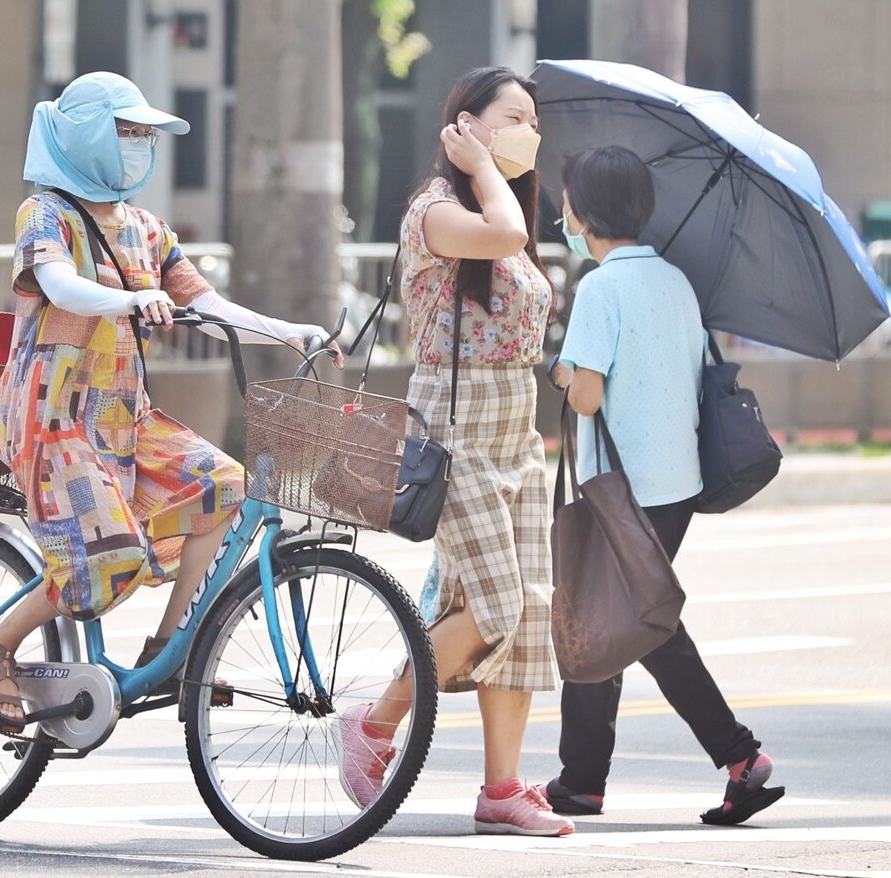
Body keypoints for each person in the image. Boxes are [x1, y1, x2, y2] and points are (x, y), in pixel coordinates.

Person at [0, 71, 339, 730]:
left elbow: (208, 305)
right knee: (109, 559)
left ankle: (170, 651)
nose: (140, 143)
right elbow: (60, 285)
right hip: (51, 419)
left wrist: (288, 332)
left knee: (226, 489)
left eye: (145, 133)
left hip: (126, 418)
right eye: (127, 131)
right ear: (84, 135)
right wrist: (132, 297)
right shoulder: (45, 214)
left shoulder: (146, 228)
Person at [337, 67, 573, 837]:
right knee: (495, 607)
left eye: (534, 121)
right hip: (458, 427)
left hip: (517, 428)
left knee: (525, 612)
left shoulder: (500, 207)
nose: (529, 133)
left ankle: (502, 789)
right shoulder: (436, 210)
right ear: (464, 125)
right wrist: (479, 168)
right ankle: (374, 722)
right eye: (514, 117)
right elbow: (504, 236)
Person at [541, 145, 781, 825]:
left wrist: (561, 371)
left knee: (638, 623)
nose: (562, 214)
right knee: (606, 620)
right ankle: (581, 780)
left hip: (622, 488)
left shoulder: (600, 288)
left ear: (585, 214)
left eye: (567, 203)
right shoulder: (676, 281)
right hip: (676, 484)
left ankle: (741, 757)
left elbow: (587, 397)